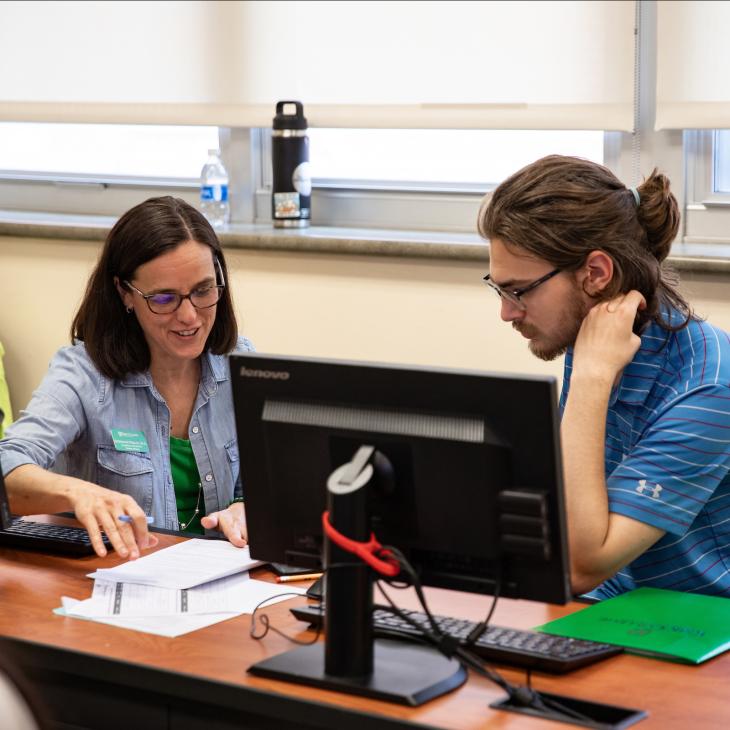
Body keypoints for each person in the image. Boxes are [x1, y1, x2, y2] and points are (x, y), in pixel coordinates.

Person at [478, 155, 730, 599]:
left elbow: (577, 565)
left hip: (697, 630)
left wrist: (592, 378)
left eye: (518, 291)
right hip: (609, 604)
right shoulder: (598, 333)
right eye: (498, 288)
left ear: (595, 273)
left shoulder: (708, 389)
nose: (506, 312)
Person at [0, 196, 253, 559]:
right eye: (165, 299)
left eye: (203, 290)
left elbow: (264, 480)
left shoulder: (240, 364)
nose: (190, 316)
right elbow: (7, 464)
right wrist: (77, 493)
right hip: (117, 583)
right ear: (125, 293)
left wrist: (245, 507)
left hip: (225, 584)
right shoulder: (84, 373)